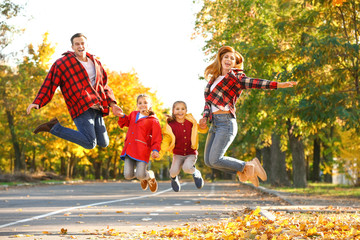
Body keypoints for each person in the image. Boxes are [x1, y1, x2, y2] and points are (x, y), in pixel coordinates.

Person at [199, 46, 297, 187]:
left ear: (235, 63)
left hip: (226, 123)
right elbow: (208, 103)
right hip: (214, 123)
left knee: (215, 159)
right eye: (226, 56)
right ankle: (246, 169)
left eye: (232, 58)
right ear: (220, 59)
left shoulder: (236, 78)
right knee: (209, 161)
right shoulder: (212, 80)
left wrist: (279, 85)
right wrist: (205, 118)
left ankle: (247, 166)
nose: (228, 60)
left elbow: (257, 83)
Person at [26, 33, 123, 149]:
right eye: (77, 44)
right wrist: (38, 101)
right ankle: (53, 127)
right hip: (81, 107)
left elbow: (104, 86)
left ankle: (54, 127)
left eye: (82, 43)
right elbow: (50, 82)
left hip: (98, 107)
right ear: (72, 47)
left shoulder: (96, 63)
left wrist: (112, 104)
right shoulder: (63, 63)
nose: (80, 46)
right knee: (89, 143)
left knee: (104, 143)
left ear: (86, 45)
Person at [160, 101, 208, 192]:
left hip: (191, 153)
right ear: (173, 111)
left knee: (187, 168)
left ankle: (196, 173)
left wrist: (203, 127)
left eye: (182, 109)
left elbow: (202, 130)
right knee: (173, 172)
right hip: (178, 154)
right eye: (177, 109)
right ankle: (174, 179)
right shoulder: (170, 125)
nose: (180, 111)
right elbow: (166, 141)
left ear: (186, 110)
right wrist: (160, 152)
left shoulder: (191, 122)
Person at [117, 94, 162, 192]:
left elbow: (157, 137)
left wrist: (155, 150)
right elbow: (126, 122)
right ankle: (143, 178)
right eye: (140, 103)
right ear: (137, 105)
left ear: (150, 105)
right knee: (128, 175)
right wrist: (122, 116)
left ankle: (149, 176)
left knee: (140, 174)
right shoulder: (133, 114)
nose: (142, 105)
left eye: (145, 103)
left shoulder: (153, 120)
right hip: (129, 148)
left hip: (142, 151)